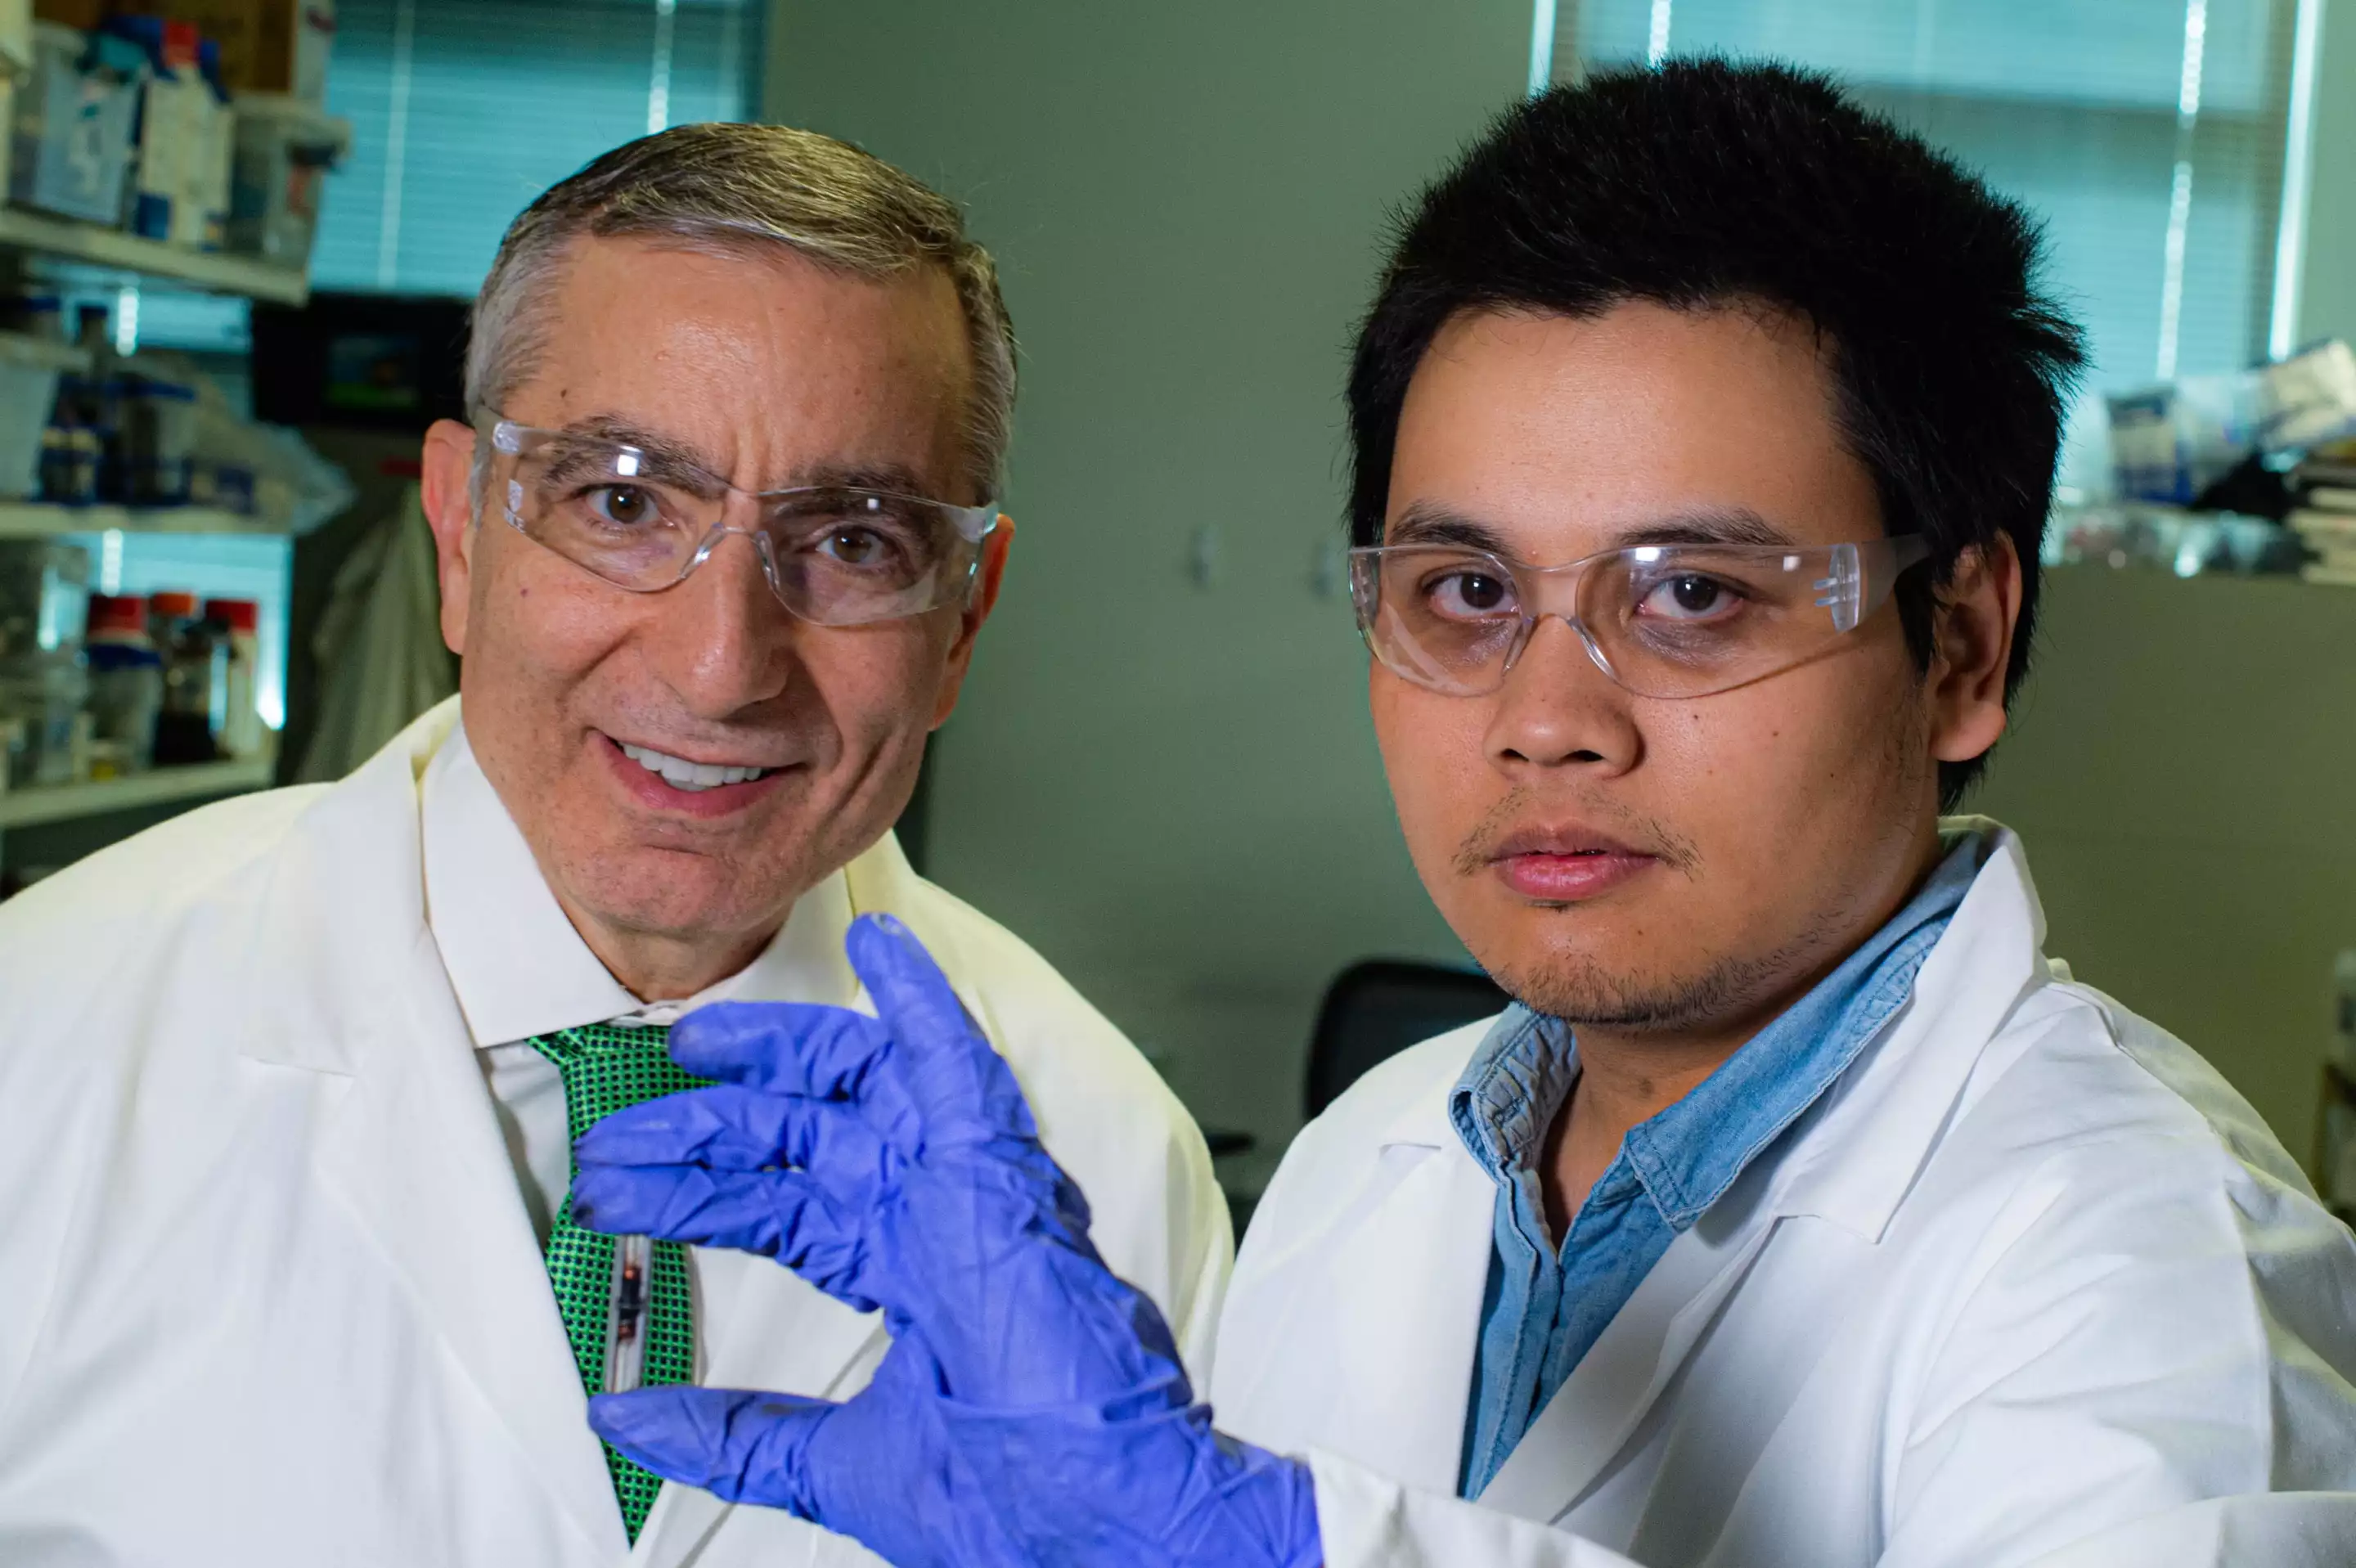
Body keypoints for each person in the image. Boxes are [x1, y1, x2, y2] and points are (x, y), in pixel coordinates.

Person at [559, 63, 2356, 1567]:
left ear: (1958, 644)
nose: (1546, 722)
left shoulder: (2155, 1279)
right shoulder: (1377, 1160)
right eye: (1468, 594)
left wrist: (1247, 1548)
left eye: (1694, 596)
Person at [0, 124, 1230, 1567]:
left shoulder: (1109, 1160)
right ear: (461, 533)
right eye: (626, 501)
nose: (721, 668)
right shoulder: (46, 1027)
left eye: (853, 540)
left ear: (963, 617)